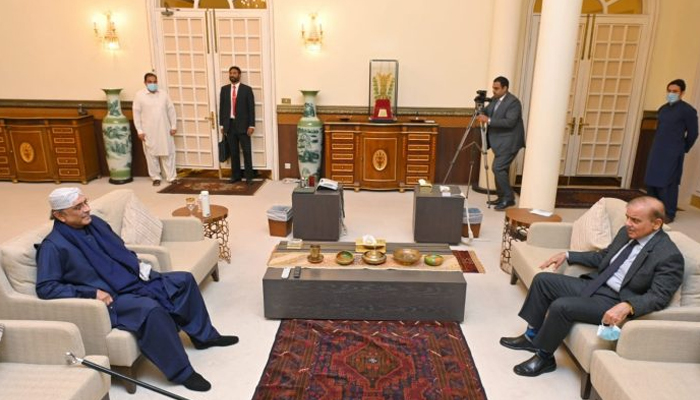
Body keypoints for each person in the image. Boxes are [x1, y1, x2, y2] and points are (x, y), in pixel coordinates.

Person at [36, 187, 238, 392]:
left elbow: (119, 250)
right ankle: (182, 372)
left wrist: (138, 265)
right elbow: (46, 288)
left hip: (131, 279)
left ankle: (205, 337)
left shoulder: (95, 223)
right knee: (151, 310)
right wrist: (91, 293)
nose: (87, 209)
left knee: (183, 280)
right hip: (110, 297)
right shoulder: (52, 246)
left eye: (86, 202)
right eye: (78, 207)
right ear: (60, 215)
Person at [500, 196, 683, 377]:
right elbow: (604, 257)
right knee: (543, 281)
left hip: (615, 300)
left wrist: (629, 306)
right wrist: (568, 255)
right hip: (597, 284)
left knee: (561, 306)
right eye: (627, 217)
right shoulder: (626, 232)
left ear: (656, 224)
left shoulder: (668, 256)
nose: (628, 223)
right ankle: (532, 336)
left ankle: (545, 357)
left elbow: (659, 296)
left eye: (635, 220)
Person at [644, 79, 698, 223]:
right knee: (652, 180)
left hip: (673, 151)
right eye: (669, 91)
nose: (671, 94)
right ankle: (652, 210)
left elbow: (693, 133)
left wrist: (683, 147)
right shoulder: (663, 109)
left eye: (675, 92)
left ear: (682, 93)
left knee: (668, 181)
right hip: (657, 149)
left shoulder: (688, 111)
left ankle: (669, 213)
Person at [476, 76, 525, 211]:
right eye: (493, 88)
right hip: (499, 142)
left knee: (497, 168)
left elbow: (510, 122)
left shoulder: (513, 102)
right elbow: (487, 112)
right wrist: (480, 109)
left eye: (497, 88)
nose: (494, 91)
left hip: (510, 141)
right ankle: (501, 196)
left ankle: (509, 198)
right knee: (501, 169)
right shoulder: (495, 100)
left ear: (505, 88)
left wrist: (489, 120)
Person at [133, 72, 178, 187]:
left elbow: (171, 110)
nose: (152, 84)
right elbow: (136, 114)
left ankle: (171, 177)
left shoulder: (163, 94)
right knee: (151, 155)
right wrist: (139, 131)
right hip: (148, 131)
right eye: (150, 82)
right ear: (145, 83)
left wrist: (173, 126)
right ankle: (156, 177)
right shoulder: (139, 95)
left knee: (168, 153)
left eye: (154, 82)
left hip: (164, 129)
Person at [219, 66, 256, 185]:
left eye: (234, 73)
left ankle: (249, 177)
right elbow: (222, 108)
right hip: (229, 125)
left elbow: (251, 109)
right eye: (230, 73)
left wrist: (251, 125)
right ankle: (235, 176)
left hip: (244, 126)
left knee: (246, 151)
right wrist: (221, 125)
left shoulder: (247, 90)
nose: (232, 75)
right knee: (234, 152)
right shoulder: (224, 89)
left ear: (239, 75)